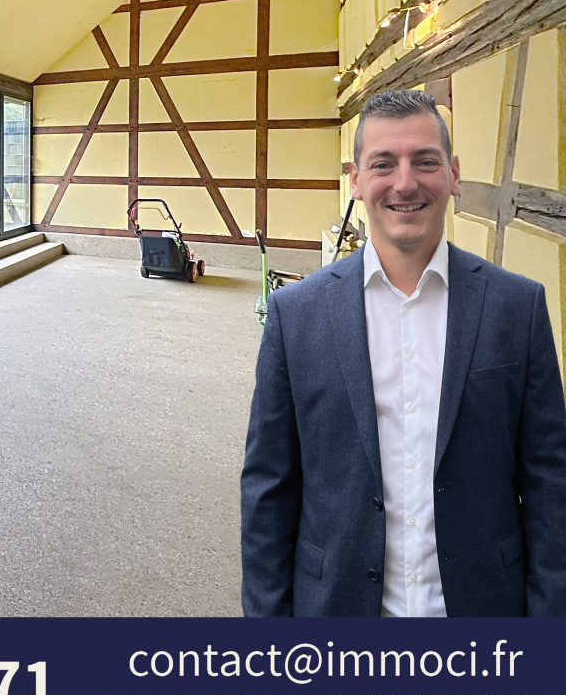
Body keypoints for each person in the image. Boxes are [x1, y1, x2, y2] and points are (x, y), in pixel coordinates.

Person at [241, 88, 566, 616]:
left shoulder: (517, 307)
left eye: (425, 161)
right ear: (356, 180)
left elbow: (551, 481)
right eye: (383, 163)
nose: (405, 182)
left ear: (454, 174)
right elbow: (268, 488)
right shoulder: (294, 316)